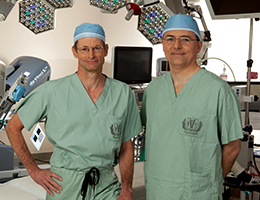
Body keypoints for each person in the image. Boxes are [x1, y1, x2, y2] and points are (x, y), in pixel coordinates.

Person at [5, 23, 142, 200]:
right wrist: (34, 171)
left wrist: (127, 189)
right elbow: (12, 127)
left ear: (106, 50)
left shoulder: (123, 93)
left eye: (96, 48)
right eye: (84, 49)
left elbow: (126, 146)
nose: (91, 54)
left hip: (107, 185)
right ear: (74, 51)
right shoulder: (51, 91)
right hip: (64, 185)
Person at [140, 14, 243, 200]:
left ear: (199, 46)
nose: (176, 45)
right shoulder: (153, 90)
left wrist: (211, 181)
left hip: (199, 192)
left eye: (185, 39)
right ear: (163, 45)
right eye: (170, 39)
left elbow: (233, 146)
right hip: (157, 189)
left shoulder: (218, 89)